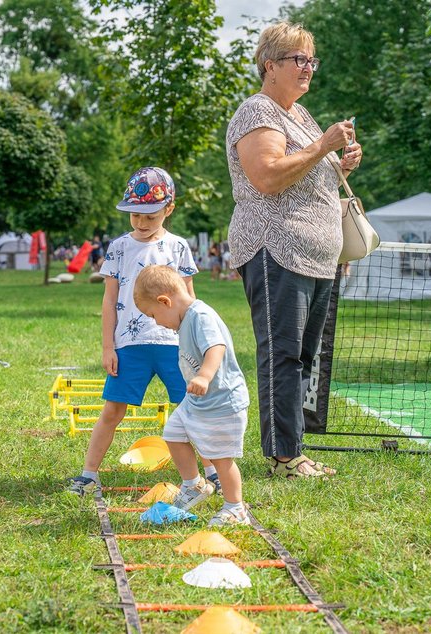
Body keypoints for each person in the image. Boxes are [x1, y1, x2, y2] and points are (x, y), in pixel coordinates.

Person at [226, 21, 361, 478]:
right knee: (282, 353)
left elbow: (302, 177)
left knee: (303, 357)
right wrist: (323, 146)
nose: (308, 68)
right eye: (298, 60)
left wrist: (336, 165)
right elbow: (266, 177)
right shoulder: (257, 112)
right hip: (275, 249)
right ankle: (285, 457)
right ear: (270, 65)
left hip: (317, 256)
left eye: (311, 60)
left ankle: (294, 449)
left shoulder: (301, 117)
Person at [67, 167, 219, 497]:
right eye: (135, 215)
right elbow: (109, 300)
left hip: (174, 346)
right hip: (130, 346)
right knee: (112, 410)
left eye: (150, 216)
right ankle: (88, 475)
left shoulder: (179, 247)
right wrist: (108, 347)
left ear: (169, 209)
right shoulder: (118, 248)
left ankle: (212, 472)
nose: (141, 222)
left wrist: (196, 343)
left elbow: (190, 301)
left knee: (191, 410)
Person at [133, 265, 251, 525]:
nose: (156, 322)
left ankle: (235, 508)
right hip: (197, 402)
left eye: (153, 314)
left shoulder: (200, 316)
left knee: (221, 458)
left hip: (222, 402)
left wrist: (204, 376)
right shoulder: (185, 319)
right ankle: (193, 485)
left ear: (165, 301)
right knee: (173, 434)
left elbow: (216, 347)